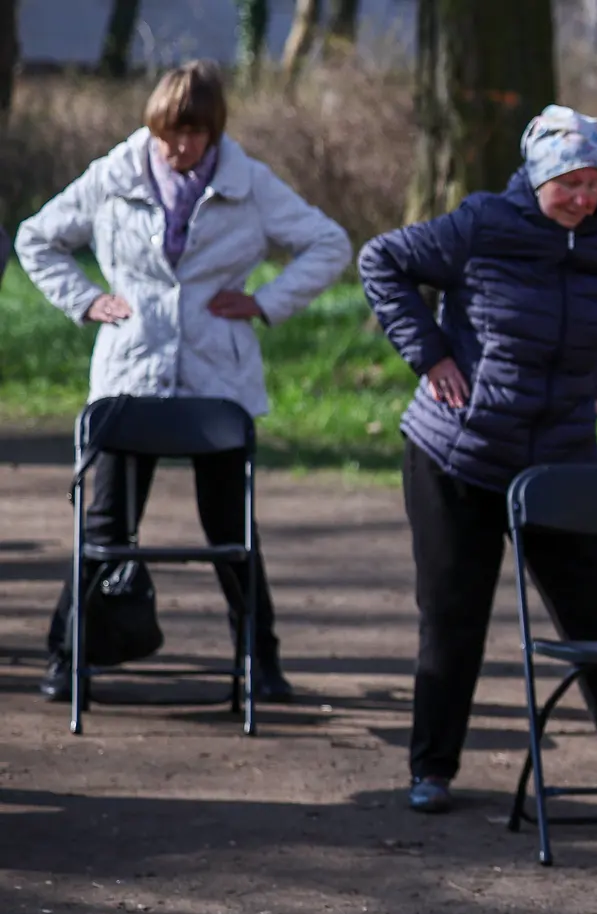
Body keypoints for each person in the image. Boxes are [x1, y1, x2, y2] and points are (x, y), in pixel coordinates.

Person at [358, 106, 597, 816]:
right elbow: (381, 260)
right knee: (453, 614)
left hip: (559, 466)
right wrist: (432, 354)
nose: (582, 197)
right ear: (537, 179)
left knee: (594, 616)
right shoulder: (481, 225)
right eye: (568, 182)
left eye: (594, 183)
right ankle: (432, 768)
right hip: (456, 454)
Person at [14, 60, 349, 704]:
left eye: (193, 133)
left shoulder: (250, 184)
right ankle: (67, 654)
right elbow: (37, 239)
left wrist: (264, 302)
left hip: (215, 384)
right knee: (106, 526)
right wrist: (85, 300)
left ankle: (261, 659)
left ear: (214, 131)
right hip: (129, 376)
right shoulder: (113, 176)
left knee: (230, 531)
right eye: (168, 131)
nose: (178, 146)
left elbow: (328, 244)